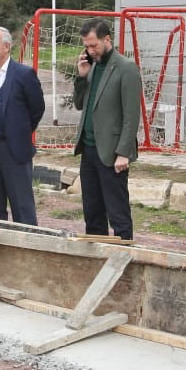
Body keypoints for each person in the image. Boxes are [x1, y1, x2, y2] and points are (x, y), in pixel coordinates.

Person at [72, 18, 141, 240]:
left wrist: (123, 153)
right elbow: (80, 104)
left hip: (112, 153)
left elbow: (131, 116)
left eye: (94, 45)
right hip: (89, 149)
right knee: (92, 212)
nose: (90, 50)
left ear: (107, 39)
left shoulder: (126, 68)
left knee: (117, 212)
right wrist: (81, 77)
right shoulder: (91, 67)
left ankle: (125, 257)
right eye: (87, 46)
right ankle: (97, 257)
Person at [0, 26, 45, 225]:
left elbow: (37, 108)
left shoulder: (23, 74)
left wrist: (20, 131)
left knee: (22, 204)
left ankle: (28, 247)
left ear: (6, 47)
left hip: (14, 149)